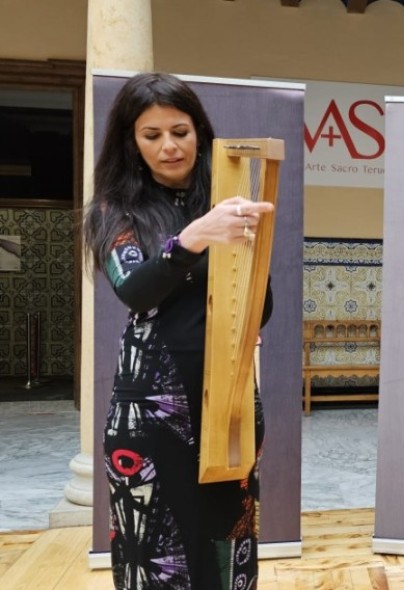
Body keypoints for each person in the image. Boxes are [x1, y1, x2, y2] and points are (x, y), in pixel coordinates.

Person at [82, 72, 274, 589]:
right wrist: (192, 238)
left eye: (180, 131)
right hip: (150, 409)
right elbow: (136, 289)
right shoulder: (113, 210)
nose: (169, 146)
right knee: (157, 548)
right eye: (152, 135)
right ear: (132, 141)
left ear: (199, 133)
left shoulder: (225, 199)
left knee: (225, 536)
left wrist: (252, 258)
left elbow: (262, 307)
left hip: (228, 400)